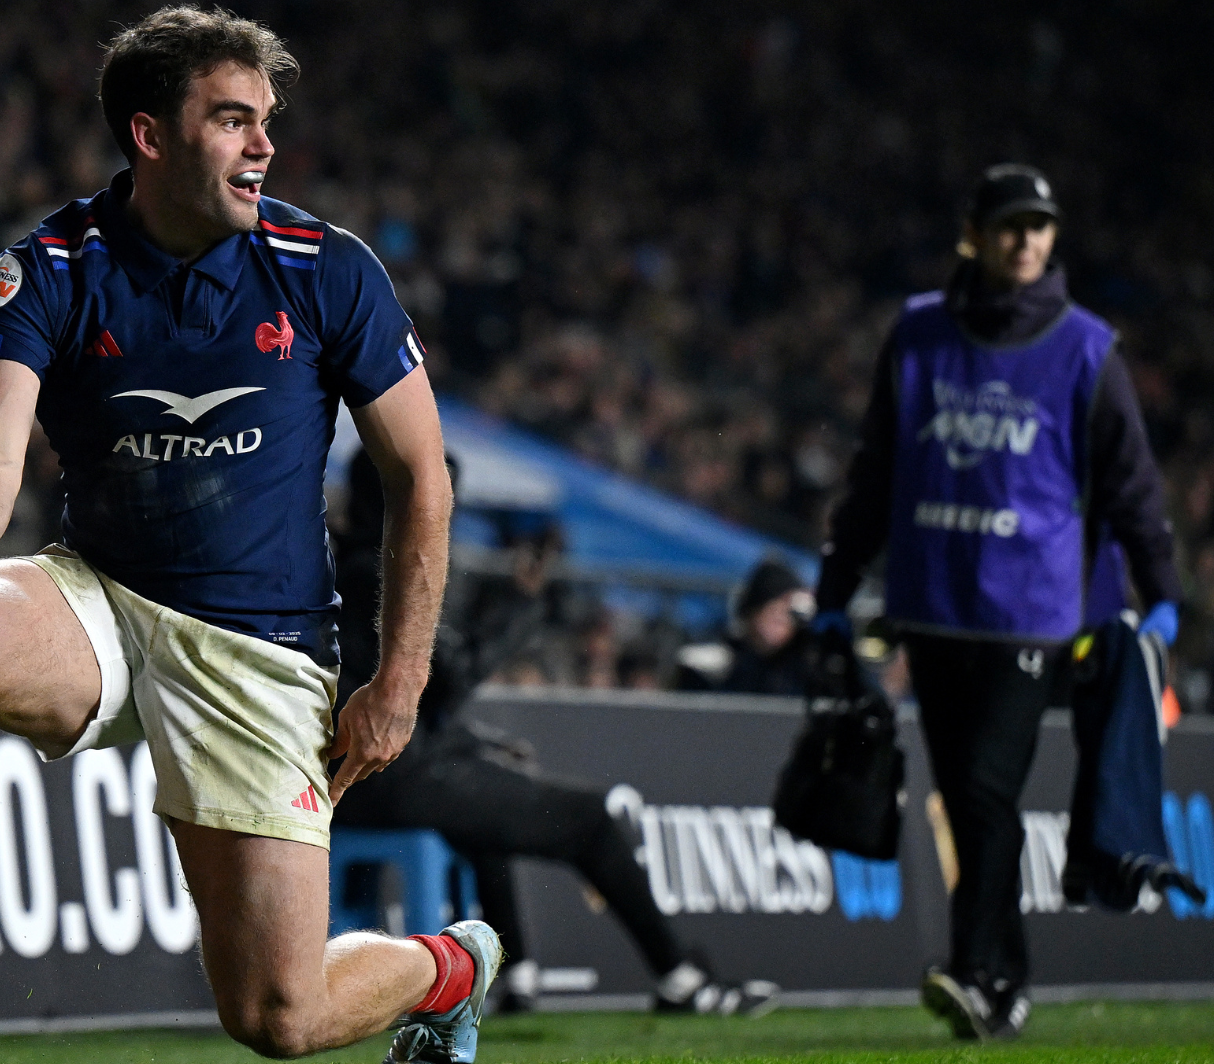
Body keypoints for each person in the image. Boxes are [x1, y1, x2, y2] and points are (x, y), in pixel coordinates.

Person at [0, 7, 490, 1064]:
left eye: (267, 123)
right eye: (233, 120)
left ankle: (452, 968)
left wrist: (401, 678)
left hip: (260, 645)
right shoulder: (47, 268)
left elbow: (419, 478)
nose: (264, 146)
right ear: (152, 135)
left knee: (278, 1021)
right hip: (100, 599)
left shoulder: (327, 269)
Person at [814, 164, 1181, 1041]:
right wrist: (835, 587)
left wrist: (1162, 595)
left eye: (1041, 227)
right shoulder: (917, 335)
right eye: (1010, 225)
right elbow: (877, 469)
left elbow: (1132, 486)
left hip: (1032, 615)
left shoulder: (1087, 348)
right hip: (933, 608)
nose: (1027, 241)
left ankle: (986, 974)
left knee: (983, 791)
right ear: (972, 234)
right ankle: (994, 979)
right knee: (969, 794)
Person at [334, 451, 779, 1017]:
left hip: (354, 779)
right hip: (394, 780)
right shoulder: (389, 575)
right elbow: (452, 677)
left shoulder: (339, 568)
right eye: (441, 497)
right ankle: (681, 979)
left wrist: (475, 742)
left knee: (486, 808)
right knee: (589, 819)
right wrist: (520, 605)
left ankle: (515, 972)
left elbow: (407, 696)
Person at [677, 558, 814, 695]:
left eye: (789, 614)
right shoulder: (715, 665)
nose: (781, 619)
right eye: (772, 611)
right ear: (752, 612)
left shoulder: (802, 668)